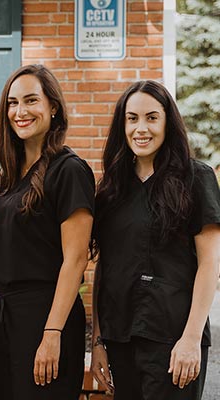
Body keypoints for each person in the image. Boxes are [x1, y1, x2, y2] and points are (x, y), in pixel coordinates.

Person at [90, 80, 220, 400]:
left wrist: (190, 339)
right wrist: (97, 342)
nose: (141, 128)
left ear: (167, 122)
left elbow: (210, 263)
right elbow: (105, 268)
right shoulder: (111, 190)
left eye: (151, 117)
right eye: (132, 119)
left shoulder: (196, 177)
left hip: (174, 339)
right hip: (121, 339)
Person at [0, 64, 95, 399]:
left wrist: (52, 333)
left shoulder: (69, 171)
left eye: (31, 100)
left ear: (53, 107)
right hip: (0, 322)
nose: (20, 111)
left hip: (44, 319)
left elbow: (75, 261)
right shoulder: (7, 178)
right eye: (13, 103)